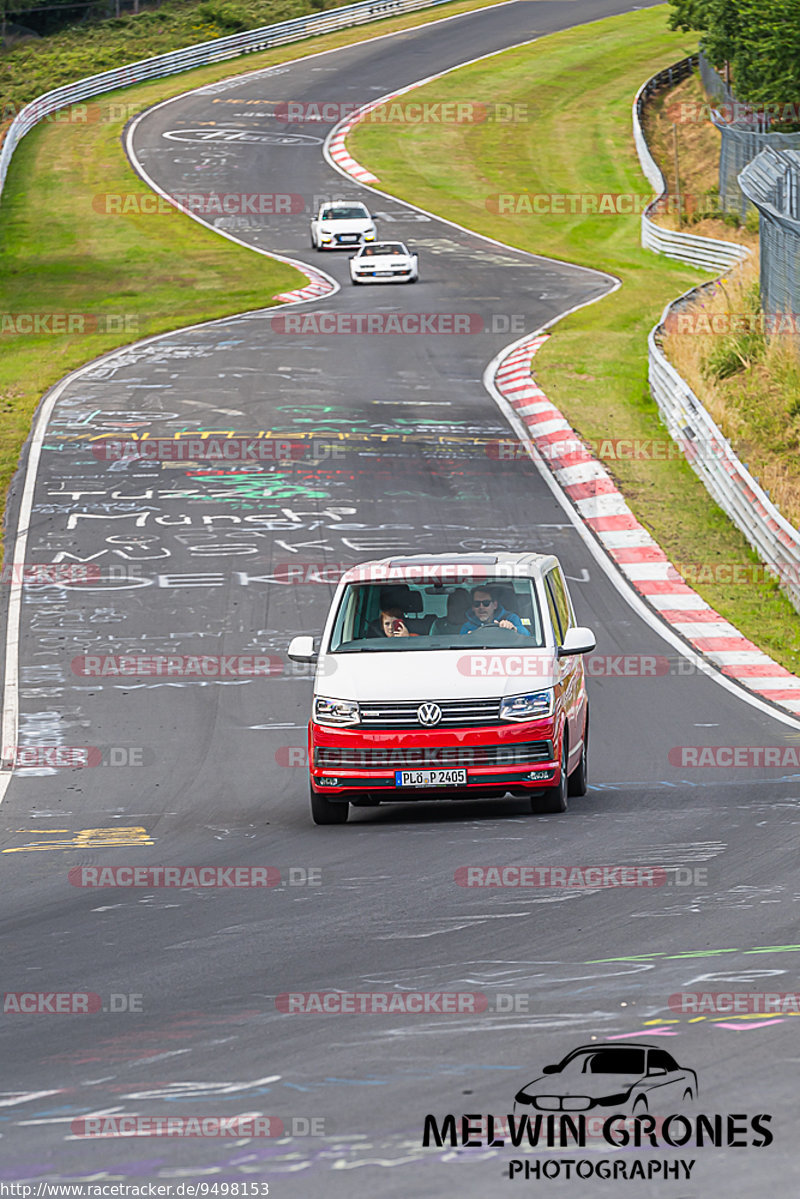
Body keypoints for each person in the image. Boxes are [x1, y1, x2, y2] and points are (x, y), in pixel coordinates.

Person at [460, 585, 529, 636]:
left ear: (495, 605)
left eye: (486, 603)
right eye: (477, 604)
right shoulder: (467, 627)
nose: (481, 607)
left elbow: (526, 635)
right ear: (472, 607)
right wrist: (468, 639)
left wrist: (514, 629)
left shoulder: (511, 618)